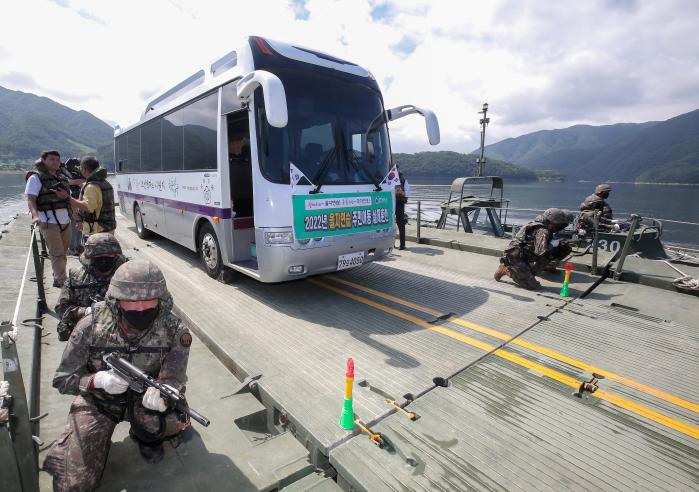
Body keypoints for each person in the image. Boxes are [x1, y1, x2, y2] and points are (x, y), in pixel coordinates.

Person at [44, 260, 192, 490]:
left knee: (175, 420)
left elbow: (174, 377)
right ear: (117, 298)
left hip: (145, 401)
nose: (141, 308)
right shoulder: (89, 326)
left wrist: (163, 395)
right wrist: (97, 380)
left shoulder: (175, 331)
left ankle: (147, 438)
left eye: (149, 299)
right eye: (132, 300)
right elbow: (63, 378)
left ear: (161, 298)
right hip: (99, 402)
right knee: (74, 484)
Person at [55, 233, 128, 341]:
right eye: (98, 256)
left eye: (109, 255)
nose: (104, 259)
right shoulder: (76, 276)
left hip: (121, 333)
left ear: (116, 255)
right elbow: (61, 307)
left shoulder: (127, 275)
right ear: (89, 256)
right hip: (86, 332)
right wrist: (86, 311)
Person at [494, 208, 574, 290]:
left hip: (526, 255)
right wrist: (552, 244)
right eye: (559, 224)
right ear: (553, 222)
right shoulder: (543, 231)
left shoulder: (540, 225)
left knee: (551, 254)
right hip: (516, 258)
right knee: (533, 286)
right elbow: (540, 252)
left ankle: (531, 270)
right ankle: (506, 269)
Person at [25, 150, 73, 287]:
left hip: (65, 221)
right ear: (43, 161)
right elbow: (31, 199)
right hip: (48, 221)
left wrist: (76, 217)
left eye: (57, 160)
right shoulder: (35, 178)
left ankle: (57, 275)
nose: (55, 162)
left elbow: (68, 200)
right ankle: (63, 283)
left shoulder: (62, 178)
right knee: (57, 253)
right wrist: (35, 216)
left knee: (63, 253)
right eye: (51, 159)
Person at [68, 156, 116, 238]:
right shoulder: (105, 182)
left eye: (80, 168)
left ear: (84, 169)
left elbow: (87, 207)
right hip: (108, 227)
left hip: (97, 230)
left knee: (95, 251)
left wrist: (68, 198)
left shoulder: (91, 186)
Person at [63, 157, 86, 256]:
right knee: (74, 227)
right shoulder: (65, 175)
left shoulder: (76, 175)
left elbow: (82, 182)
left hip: (78, 204)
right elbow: (68, 182)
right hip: (72, 204)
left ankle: (76, 247)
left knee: (78, 227)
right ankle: (73, 249)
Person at [394, 164, 410, 250]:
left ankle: (402, 244)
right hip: (389, 203)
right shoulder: (387, 178)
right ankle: (391, 244)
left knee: (400, 223)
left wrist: (401, 193)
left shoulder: (403, 179)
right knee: (390, 224)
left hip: (399, 202)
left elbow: (408, 192)